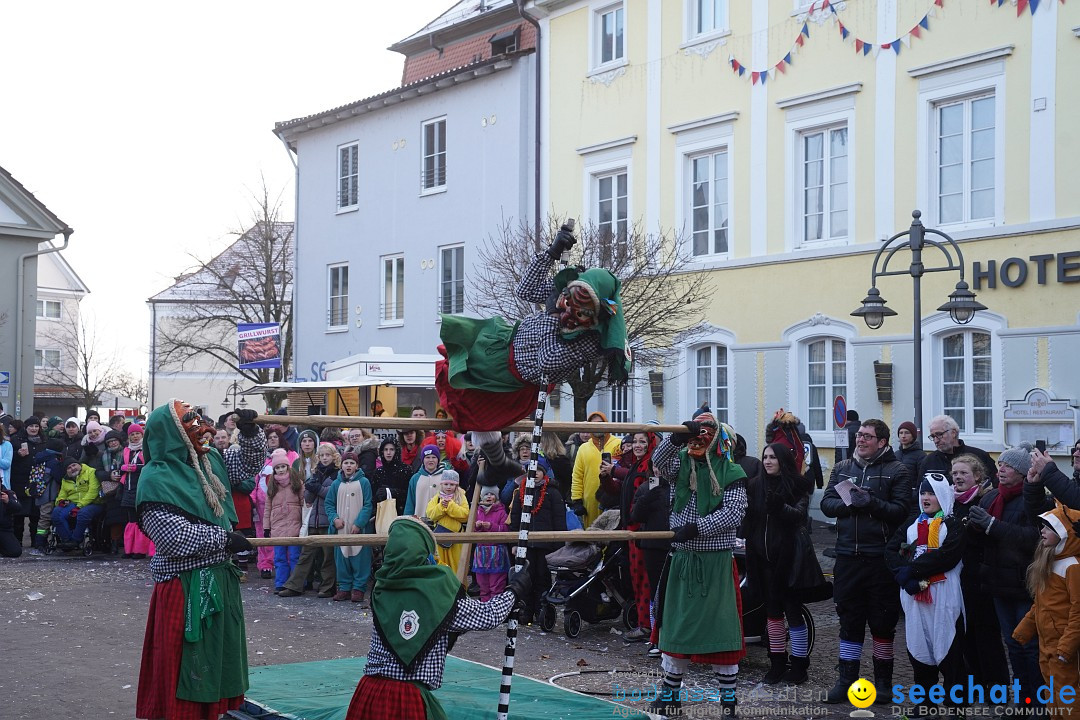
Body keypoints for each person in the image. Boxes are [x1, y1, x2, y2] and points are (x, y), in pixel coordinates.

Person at [435, 225, 630, 489]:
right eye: (568, 301)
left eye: (579, 310)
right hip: (501, 343)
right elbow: (525, 289)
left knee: (470, 401)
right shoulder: (564, 295)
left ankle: (497, 461)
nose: (568, 310)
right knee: (456, 372)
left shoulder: (591, 341)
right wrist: (552, 252)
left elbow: (546, 363)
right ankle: (498, 462)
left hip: (515, 377)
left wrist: (551, 316)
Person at [134, 401, 259, 720]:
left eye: (198, 417)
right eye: (190, 420)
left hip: (218, 579)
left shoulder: (211, 459)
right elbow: (172, 538)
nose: (201, 424)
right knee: (184, 667)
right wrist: (223, 539)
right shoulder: (155, 477)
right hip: (185, 587)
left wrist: (248, 433)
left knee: (215, 662)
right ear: (172, 433)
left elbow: (248, 466)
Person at [343, 516, 530, 720]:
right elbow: (487, 616)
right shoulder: (437, 592)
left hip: (369, 690)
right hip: (405, 698)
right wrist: (514, 590)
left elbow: (433, 624)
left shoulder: (382, 587)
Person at [647, 413, 746, 718]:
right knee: (677, 630)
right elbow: (658, 462)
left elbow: (733, 514)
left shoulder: (732, 471)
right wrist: (675, 436)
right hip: (683, 560)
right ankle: (669, 696)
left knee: (720, 634)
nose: (697, 441)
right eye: (693, 435)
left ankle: (728, 704)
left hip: (714, 564)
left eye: (704, 435)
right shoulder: (681, 463)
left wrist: (696, 528)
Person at [820, 418, 910, 704]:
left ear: (882, 442)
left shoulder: (898, 470)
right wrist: (849, 503)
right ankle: (847, 680)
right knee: (849, 620)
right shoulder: (843, 468)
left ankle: (883, 682)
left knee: (883, 621)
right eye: (859, 435)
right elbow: (826, 504)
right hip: (847, 555)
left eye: (867, 436)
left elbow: (901, 511)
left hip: (880, 557)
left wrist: (870, 503)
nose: (860, 440)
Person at [966, 443, 1051, 707]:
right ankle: (1024, 702)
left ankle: (1038, 704)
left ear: (1024, 472)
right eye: (1001, 464)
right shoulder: (992, 498)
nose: (1001, 469)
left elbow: (1032, 539)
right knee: (1013, 646)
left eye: (1009, 466)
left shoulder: (1036, 499)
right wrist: (974, 527)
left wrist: (991, 526)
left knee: (1030, 647)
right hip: (997, 585)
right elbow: (983, 541)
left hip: (1024, 584)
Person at [885, 476, 966, 716]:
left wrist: (911, 570)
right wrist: (903, 576)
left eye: (931, 493)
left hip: (944, 598)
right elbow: (891, 550)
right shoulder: (912, 525)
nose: (926, 498)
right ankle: (925, 706)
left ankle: (956, 708)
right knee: (919, 651)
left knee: (950, 654)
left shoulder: (952, 525)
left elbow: (946, 555)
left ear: (943, 496)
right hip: (914, 601)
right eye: (923, 493)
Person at [743, 443, 814, 685]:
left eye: (773, 457)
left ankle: (799, 664)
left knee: (793, 614)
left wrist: (780, 507)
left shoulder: (798, 485)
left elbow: (799, 516)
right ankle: (776, 662)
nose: (768, 461)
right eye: (765, 457)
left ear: (783, 460)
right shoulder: (754, 486)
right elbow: (750, 521)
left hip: (788, 561)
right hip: (762, 560)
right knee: (772, 615)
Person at [1012, 503, 1080, 718]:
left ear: (1063, 532)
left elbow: (1078, 611)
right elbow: (1041, 605)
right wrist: (1023, 630)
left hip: (1062, 646)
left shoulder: (1072, 566)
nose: (1041, 531)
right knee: (1052, 693)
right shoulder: (1049, 562)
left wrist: (1066, 647)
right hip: (1047, 643)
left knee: (1068, 694)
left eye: (1048, 527)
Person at [949, 455, 1010, 694]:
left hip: (983, 576)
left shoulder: (987, 499)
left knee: (987, 636)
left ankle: (997, 688)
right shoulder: (950, 502)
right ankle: (975, 685)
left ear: (977, 476)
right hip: (959, 577)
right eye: (955, 473)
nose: (958, 477)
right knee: (964, 633)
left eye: (964, 473)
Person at [507, 455, 566, 623]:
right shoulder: (521, 492)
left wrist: (559, 544)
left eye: (539, 470)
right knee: (526, 577)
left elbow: (559, 519)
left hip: (546, 544)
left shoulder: (553, 492)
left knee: (543, 576)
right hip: (526, 544)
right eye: (533, 471)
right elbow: (515, 518)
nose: (536, 473)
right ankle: (526, 610)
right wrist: (514, 543)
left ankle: (542, 610)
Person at [615, 429, 661, 643]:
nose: (637, 445)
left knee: (645, 580)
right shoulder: (635, 464)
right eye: (635, 441)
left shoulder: (651, 466)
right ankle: (645, 623)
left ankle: (647, 626)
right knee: (636, 577)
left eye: (643, 441)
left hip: (642, 529)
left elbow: (653, 494)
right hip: (631, 528)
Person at [279, 442, 340, 598]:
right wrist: (312, 487)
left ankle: (327, 587)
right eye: (322, 455)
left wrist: (316, 488)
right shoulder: (316, 473)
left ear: (334, 457)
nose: (325, 458)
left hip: (328, 521)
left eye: (328, 455)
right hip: (314, 520)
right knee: (305, 555)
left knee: (328, 557)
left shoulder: (337, 474)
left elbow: (331, 494)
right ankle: (294, 585)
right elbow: (308, 498)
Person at [326, 451, 374, 603]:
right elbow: (329, 504)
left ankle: (358, 588)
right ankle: (344, 587)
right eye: (346, 463)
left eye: (352, 463)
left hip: (358, 529)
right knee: (342, 559)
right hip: (341, 529)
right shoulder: (336, 484)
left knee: (360, 558)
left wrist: (359, 523)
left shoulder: (364, 483)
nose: (349, 465)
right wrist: (334, 519)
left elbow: (368, 504)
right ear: (341, 465)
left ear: (357, 466)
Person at [570, 412, 624, 528]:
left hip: (613, 500)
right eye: (593, 424)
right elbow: (577, 476)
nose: (597, 427)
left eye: (600, 423)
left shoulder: (618, 445)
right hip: (590, 502)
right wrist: (577, 500)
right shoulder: (583, 448)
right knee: (591, 535)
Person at [918, 414, 996, 484]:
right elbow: (920, 491)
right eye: (933, 436)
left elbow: (994, 487)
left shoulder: (980, 456)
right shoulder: (928, 461)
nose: (936, 440)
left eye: (939, 434)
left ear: (953, 433)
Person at [426, 468, 469, 578]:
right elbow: (430, 514)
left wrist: (450, 506)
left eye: (452, 484)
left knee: (457, 566)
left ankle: (459, 590)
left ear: (456, 485)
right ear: (442, 484)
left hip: (456, 539)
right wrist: (441, 507)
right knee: (441, 566)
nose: (448, 487)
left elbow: (465, 515)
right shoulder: (436, 498)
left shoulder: (461, 497)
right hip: (439, 538)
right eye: (446, 484)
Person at [51, 458, 103, 548]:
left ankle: (76, 540)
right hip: (72, 503)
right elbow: (61, 495)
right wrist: (61, 502)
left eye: (74, 465)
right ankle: (67, 541)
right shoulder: (65, 479)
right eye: (69, 468)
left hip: (93, 502)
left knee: (83, 513)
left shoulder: (90, 472)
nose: (72, 468)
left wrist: (79, 506)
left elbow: (93, 492)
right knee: (56, 512)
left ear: (79, 464)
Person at [10, 416, 46, 546]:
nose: (34, 429)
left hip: (37, 483)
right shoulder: (16, 440)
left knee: (35, 515)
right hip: (20, 481)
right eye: (31, 426)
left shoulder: (44, 441)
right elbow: (9, 459)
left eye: (36, 426)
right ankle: (17, 541)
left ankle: (35, 542)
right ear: (26, 427)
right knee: (19, 515)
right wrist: (18, 454)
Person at [119, 424, 153, 559]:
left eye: (137, 434)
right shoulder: (126, 450)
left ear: (142, 435)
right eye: (132, 434)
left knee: (141, 520)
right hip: (128, 488)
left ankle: (140, 550)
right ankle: (130, 549)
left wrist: (136, 468)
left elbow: (150, 465)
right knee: (131, 520)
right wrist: (122, 467)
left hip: (142, 488)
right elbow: (120, 465)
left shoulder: (146, 449)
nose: (135, 436)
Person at [472, 484, 510, 600]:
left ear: (496, 497)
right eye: (486, 494)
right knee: (483, 585)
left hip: (497, 553)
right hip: (480, 553)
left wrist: (492, 526)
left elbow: (505, 529)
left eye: (492, 494)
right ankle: (484, 610)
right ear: (481, 497)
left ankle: (496, 611)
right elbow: (470, 530)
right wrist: (477, 527)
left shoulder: (501, 512)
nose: (489, 496)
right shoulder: (476, 511)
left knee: (496, 585)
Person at [96, 429, 128, 554]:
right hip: (110, 491)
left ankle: (125, 543)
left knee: (126, 517)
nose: (113, 443)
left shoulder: (126, 452)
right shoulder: (103, 455)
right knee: (113, 518)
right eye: (110, 442)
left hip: (125, 488)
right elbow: (98, 472)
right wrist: (110, 475)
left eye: (114, 441)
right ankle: (114, 543)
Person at [1025, 441, 1080, 510]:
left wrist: (1047, 471)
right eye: (1076, 449)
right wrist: (1034, 488)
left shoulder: (1069, 489)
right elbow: (1041, 516)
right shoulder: (1073, 485)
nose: (1075, 454)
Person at [371, 439, 413, 517]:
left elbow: (410, 494)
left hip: (401, 514)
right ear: (382, 452)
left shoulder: (406, 470)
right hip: (382, 514)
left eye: (392, 449)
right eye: (386, 449)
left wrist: (390, 492)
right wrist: (378, 496)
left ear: (396, 451)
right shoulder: (378, 472)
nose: (388, 453)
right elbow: (372, 497)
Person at [404, 445, 444, 517]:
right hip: (420, 521)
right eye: (427, 457)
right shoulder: (415, 478)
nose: (431, 460)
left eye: (434, 457)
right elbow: (410, 502)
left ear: (438, 459)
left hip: (441, 521)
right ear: (423, 460)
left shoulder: (445, 476)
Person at [895, 421, 924, 486]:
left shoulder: (920, 455)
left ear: (913, 435)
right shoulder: (896, 454)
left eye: (907, 433)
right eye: (901, 433)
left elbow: (922, 479)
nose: (903, 436)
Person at [1, 483, 25, 557]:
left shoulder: (8, 493)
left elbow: (18, 508)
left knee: (15, 551)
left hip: (4, 530)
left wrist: (8, 501)